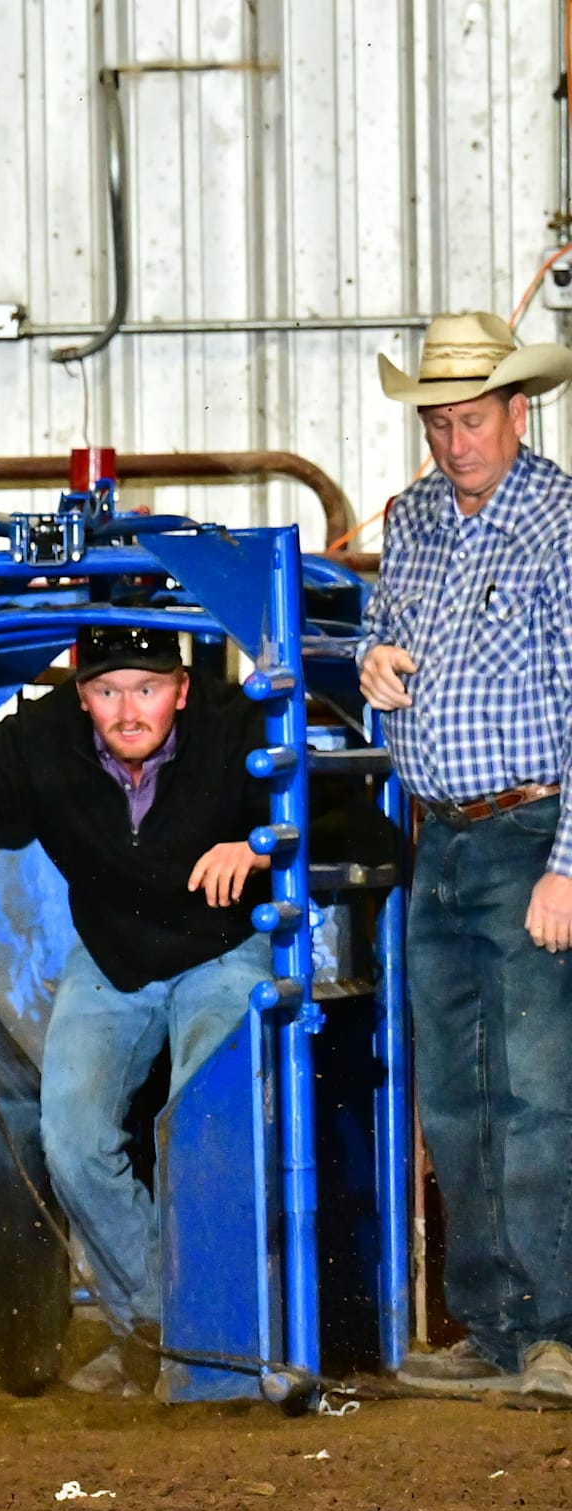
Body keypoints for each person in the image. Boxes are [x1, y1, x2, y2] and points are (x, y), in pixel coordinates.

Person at [0, 626, 277, 1395]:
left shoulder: (238, 726)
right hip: (114, 957)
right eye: (107, 690)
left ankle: (216, 1331)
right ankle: (153, 1324)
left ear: (181, 690)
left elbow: (336, 809)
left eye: (148, 688)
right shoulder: (43, 736)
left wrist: (258, 844)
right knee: (71, 1135)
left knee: (207, 1122)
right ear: (80, 696)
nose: (128, 709)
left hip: (224, 946)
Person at [357, 310, 572, 1404]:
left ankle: (557, 1333)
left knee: (536, 1092)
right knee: (454, 1096)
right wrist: (373, 657)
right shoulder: (415, 520)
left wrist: (569, 864)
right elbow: (383, 628)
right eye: (438, 422)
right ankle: (494, 1329)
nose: (455, 441)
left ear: (518, 411)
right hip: (437, 837)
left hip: (533, 831)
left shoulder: (563, 522)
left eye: (473, 419)